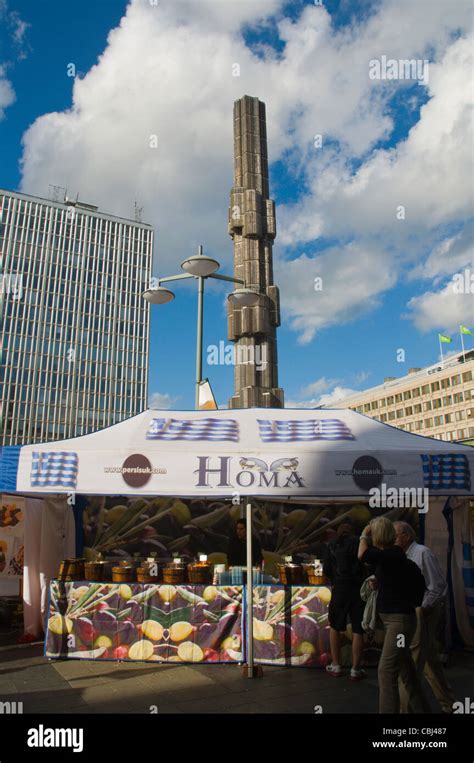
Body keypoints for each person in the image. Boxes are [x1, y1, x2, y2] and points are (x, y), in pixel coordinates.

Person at [358, 516, 427, 714]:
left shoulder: (390, 555)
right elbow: (395, 579)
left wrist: (364, 532)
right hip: (398, 622)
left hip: (399, 624)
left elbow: (362, 554)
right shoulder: (393, 557)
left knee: (386, 671)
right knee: (407, 671)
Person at [394, 521, 455, 714]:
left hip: (422, 611)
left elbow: (436, 586)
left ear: (406, 536)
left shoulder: (422, 553)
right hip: (414, 610)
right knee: (430, 662)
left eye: (395, 535)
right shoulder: (401, 555)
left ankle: (404, 711)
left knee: (411, 662)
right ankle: (449, 703)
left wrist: (423, 609)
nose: (392, 539)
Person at [323, 520, 366, 680]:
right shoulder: (359, 544)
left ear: (338, 532)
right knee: (358, 628)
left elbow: (326, 569)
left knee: (335, 626)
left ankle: (336, 665)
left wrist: (335, 578)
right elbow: (366, 564)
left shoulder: (332, 545)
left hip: (339, 589)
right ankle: (355, 669)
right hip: (357, 589)